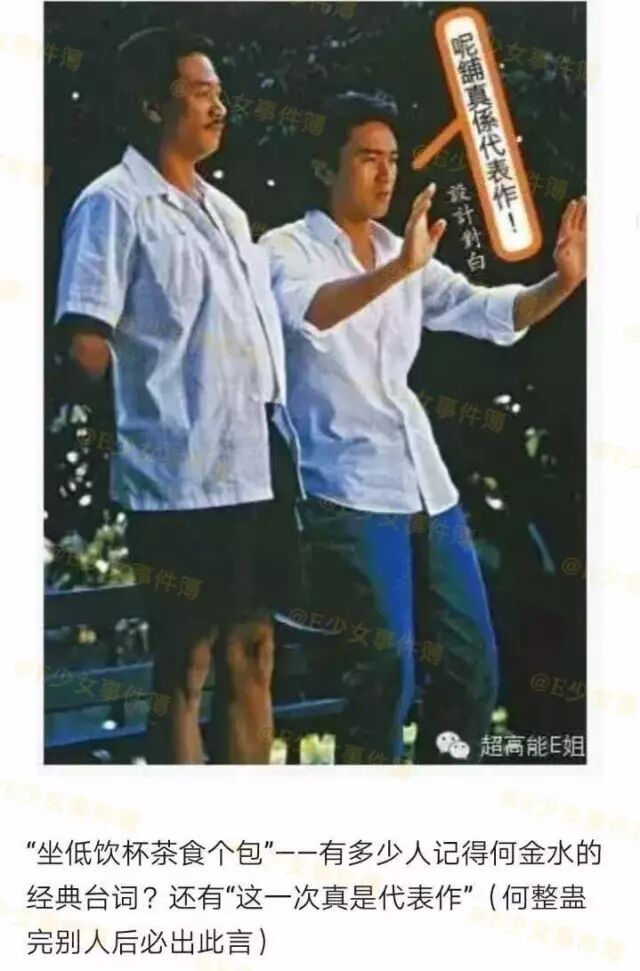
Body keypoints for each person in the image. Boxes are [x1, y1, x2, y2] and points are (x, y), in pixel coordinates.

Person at [260, 92, 586, 764]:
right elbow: (311, 315)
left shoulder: (396, 247)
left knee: (471, 670)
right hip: (345, 491)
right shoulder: (284, 248)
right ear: (324, 166)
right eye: (367, 158)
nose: (386, 173)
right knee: (385, 675)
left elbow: (483, 310)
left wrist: (561, 282)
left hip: (428, 490)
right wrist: (400, 269)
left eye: (393, 159)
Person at [54, 26, 301, 765]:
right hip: (176, 473)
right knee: (186, 662)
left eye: (220, 93)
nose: (219, 108)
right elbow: (84, 343)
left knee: (254, 648)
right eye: (200, 93)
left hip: (253, 460)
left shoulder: (228, 213)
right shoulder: (112, 203)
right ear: (151, 104)